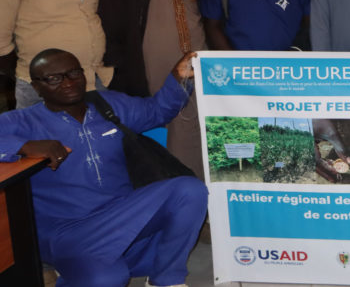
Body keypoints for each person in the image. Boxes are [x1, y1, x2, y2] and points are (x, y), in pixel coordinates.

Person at [0, 49, 206, 287]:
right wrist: (24, 145)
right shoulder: (22, 122)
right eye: (54, 78)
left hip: (120, 216)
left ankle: (165, 279)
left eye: (73, 73)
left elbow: (158, 111)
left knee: (189, 190)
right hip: (67, 231)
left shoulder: (109, 105)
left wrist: (179, 78)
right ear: (36, 86)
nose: (67, 82)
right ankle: (79, 267)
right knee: (109, 279)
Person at [98, 0, 207, 177]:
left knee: (201, 139)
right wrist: (126, 81)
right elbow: (111, 39)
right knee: (164, 148)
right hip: (151, 80)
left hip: (200, 78)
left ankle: (204, 207)